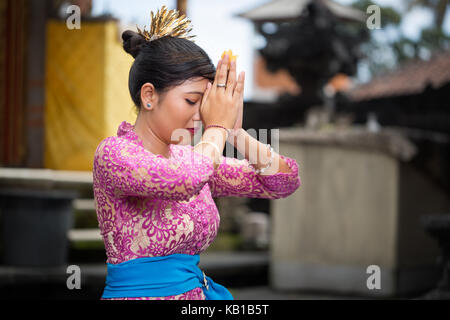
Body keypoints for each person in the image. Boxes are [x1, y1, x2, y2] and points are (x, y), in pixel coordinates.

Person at [93, 6, 301, 300]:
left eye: (205, 104)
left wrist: (236, 132)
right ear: (149, 95)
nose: (201, 114)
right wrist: (217, 126)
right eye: (192, 101)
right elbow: (185, 179)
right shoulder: (113, 154)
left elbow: (283, 180)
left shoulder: (192, 156)